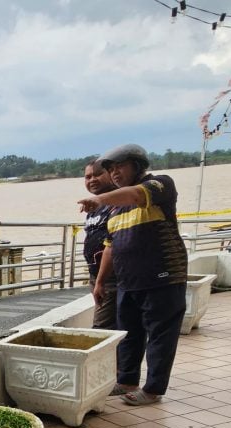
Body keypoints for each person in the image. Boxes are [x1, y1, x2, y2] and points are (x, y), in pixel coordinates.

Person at [77, 143, 187, 406]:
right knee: (130, 334)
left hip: (162, 277)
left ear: (137, 166)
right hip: (128, 282)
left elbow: (137, 195)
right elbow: (110, 246)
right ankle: (126, 380)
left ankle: (153, 389)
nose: (114, 173)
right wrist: (100, 282)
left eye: (120, 167)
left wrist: (99, 199)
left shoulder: (160, 185)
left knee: (160, 335)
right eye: (111, 169)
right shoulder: (116, 209)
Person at [81, 160, 118, 329]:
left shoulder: (119, 203)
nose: (92, 180)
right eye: (88, 177)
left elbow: (112, 243)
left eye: (97, 174)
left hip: (111, 278)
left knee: (101, 329)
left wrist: (101, 282)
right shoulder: (94, 206)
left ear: (111, 174)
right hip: (97, 277)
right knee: (112, 325)